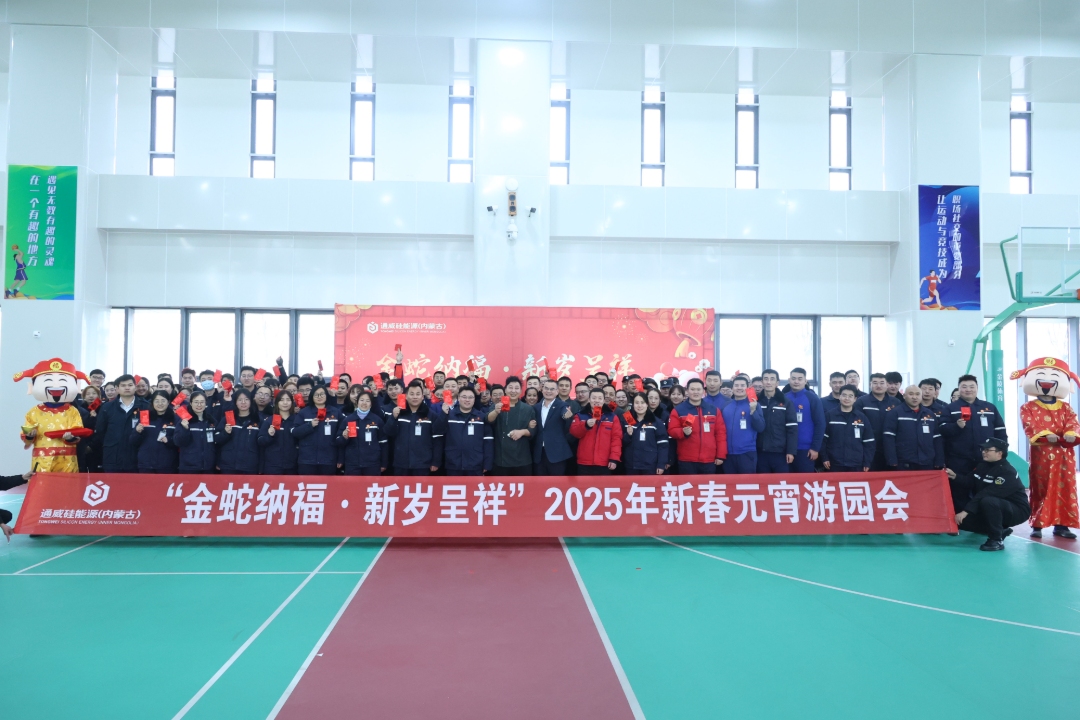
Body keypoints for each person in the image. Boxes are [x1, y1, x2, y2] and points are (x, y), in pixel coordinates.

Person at [1014, 357, 1080, 539]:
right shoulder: (1028, 407)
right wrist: (1044, 434)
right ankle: (1037, 524)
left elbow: (1073, 423)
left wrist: (1071, 433)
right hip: (1041, 454)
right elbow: (1030, 425)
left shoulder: (1066, 407)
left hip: (1064, 455)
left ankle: (1062, 525)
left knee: (1066, 488)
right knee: (1041, 487)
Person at [939, 374, 1008, 511]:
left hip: (985, 459)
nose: (968, 389)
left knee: (985, 490)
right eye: (964, 387)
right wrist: (956, 426)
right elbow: (941, 429)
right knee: (959, 491)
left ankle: (983, 519)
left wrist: (1002, 453)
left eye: (972, 386)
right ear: (959, 389)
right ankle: (962, 520)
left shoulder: (989, 407)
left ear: (977, 388)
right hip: (958, 459)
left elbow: (1000, 431)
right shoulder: (950, 408)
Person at [949, 438, 1030, 551]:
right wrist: (954, 476)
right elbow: (969, 481)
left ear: (999, 453)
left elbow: (987, 493)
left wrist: (966, 511)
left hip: (1017, 510)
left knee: (989, 501)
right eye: (983, 449)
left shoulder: (1007, 471)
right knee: (961, 522)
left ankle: (996, 540)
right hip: (993, 506)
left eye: (987, 450)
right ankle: (999, 530)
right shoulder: (983, 466)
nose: (983, 452)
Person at [385, 379, 444, 475]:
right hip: (401, 463)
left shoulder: (431, 415)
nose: (415, 397)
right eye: (412, 394)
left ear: (422, 396)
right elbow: (389, 432)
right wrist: (393, 418)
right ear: (406, 396)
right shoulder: (399, 413)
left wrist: (436, 461)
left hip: (423, 464)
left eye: (418, 394)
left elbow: (437, 440)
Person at [668, 378, 726, 474]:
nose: (696, 392)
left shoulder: (714, 410)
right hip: (686, 460)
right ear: (687, 391)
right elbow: (672, 430)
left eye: (698, 389)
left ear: (703, 391)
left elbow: (720, 434)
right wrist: (682, 432)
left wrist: (721, 455)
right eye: (692, 389)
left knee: (707, 484)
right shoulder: (678, 410)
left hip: (709, 459)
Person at [95, 374, 150, 473]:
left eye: (130, 385)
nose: (127, 388)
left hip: (137, 456)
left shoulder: (144, 407)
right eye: (123, 385)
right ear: (117, 389)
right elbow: (100, 430)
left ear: (135, 387)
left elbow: (147, 430)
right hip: (112, 456)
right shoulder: (107, 407)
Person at [882, 385, 944, 470]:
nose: (914, 397)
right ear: (904, 396)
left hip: (927, 461)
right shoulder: (895, 413)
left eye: (917, 394)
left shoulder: (929, 414)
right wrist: (891, 459)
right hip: (903, 462)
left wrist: (939, 460)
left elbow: (936, 438)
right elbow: (889, 438)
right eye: (911, 394)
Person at [485, 377, 535, 475]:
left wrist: (522, 432)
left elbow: (533, 430)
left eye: (516, 388)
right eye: (510, 387)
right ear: (505, 390)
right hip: (501, 460)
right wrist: (496, 411)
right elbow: (489, 420)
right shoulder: (497, 406)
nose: (513, 391)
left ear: (521, 391)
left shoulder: (528, 409)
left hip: (522, 459)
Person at [820, 385, 875, 472]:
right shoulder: (830, 416)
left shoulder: (861, 418)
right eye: (844, 395)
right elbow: (823, 439)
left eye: (850, 396)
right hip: (833, 463)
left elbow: (869, 441)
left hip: (857, 463)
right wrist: (824, 458)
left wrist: (867, 462)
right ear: (839, 397)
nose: (847, 398)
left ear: (855, 399)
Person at [292, 385, 343, 475]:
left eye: (322, 394)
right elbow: (295, 432)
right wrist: (309, 425)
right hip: (307, 460)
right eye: (316, 395)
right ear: (312, 396)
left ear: (326, 395)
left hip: (329, 459)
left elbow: (340, 436)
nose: (319, 397)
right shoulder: (304, 412)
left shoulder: (336, 412)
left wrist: (340, 458)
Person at [570, 388, 622, 474]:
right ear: (589, 399)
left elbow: (616, 439)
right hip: (584, 462)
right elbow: (574, 432)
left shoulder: (613, 417)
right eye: (594, 398)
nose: (597, 401)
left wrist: (614, 458)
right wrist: (585, 425)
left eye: (600, 398)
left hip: (604, 462)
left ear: (604, 400)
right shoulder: (580, 415)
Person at [442, 386, 493, 476]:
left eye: (470, 397)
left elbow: (488, 441)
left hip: (475, 463)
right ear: (458, 398)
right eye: (464, 397)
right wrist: (443, 414)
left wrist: (487, 463)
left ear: (474, 400)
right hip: (453, 463)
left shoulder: (481, 417)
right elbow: (438, 433)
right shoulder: (449, 415)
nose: (467, 400)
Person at [854, 373, 900, 470]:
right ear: (870, 385)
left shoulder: (895, 402)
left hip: (891, 448)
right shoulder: (861, 402)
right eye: (875, 383)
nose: (878, 386)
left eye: (882, 383)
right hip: (868, 447)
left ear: (887, 385)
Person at [755, 369, 797, 473]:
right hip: (760, 452)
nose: (768, 382)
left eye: (772, 379)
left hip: (780, 453)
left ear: (777, 383)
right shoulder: (755, 402)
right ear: (762, 382)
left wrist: (791, 451)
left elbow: (792, 429)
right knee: (762, 482)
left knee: (781, 482)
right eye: (766, 379)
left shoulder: (786, 402)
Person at [339, 390, 388, 475]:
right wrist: (344, 437)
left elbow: (383, 443)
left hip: (372, 463)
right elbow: (338, 441)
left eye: (367, 401)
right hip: (352, 463)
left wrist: (384, 463)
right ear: (357, 402)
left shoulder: (377, 420)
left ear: (371, 404)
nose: (364, 403)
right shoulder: (348, 419)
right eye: (362, 400)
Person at [785, 368, 825, 473]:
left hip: (806, 449)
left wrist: (815, 448)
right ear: (789, 380)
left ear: (805, 381)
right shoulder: (784, 398)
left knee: (805, 481)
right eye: (793, 378)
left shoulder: (813, 398)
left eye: (800, 379)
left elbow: (820, 424)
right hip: (786, 448)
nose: (796, 381)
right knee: (786, 481)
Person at [721, 377, 764, 474]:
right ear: (732, 388)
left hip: (747, 453)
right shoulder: (725, 406)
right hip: (728, 454)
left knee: (747, 483)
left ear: (748, 388)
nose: (739, 388)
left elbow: (760, 427)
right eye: (736, 385)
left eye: (742, 385)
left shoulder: (754, 405)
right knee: (729, 482)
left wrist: (753, 412)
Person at [532, 379, 574, 475]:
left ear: (557, 391)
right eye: (546, 388)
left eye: (552, 389)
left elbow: (565, 412)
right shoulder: (536, 407)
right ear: (542, 390)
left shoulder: (562, 405)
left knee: (556, 482)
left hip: (557, 453)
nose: (549, 391)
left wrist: (566, 415)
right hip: (539, 453)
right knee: (540, 482)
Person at [131, 390, 179, 473]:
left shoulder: (175, 418)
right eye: (156, 401)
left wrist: (169, 440)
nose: (160, 404)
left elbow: (181, 440)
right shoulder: (145, 417)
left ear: (168, 402)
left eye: (163, 401)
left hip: (167, 464)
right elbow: (133, 441)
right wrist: (137, 432)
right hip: (146, 464)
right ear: (152, 403)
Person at [215, 388, 261, 475]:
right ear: (235, 402)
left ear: (251, 401)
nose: (243, 402)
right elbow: (217, 439)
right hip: (228, 465)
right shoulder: (227, 419)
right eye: (240, 400)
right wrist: (225, 433)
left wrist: (261, 466)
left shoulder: (258, 420)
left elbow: (262, 445)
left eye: (246, 399)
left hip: (250, 465)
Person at [621, 392, 668, 474]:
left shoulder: (656, 422)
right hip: (631, 465)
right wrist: (628, 435)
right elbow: (620, 442)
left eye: (642, 402)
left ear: (647, 404)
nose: (639, 406)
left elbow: (663, 445)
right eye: (637, 403)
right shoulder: (627, 419)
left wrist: (661, 464)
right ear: (633, 405)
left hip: (650, 465)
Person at [173, 391, 218, 474]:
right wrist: (185, 429)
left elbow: (217, 443)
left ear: (206, 403)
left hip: (208, 467)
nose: (199, 405)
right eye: (196, 402)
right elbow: (178, 442)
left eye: (202, 402)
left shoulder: (211, 421)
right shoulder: (184, 420)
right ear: (190, 403)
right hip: (188, 467)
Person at [258, 390, 301, 475]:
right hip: (272, 465)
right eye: (282, 400)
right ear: (277, 402)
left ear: (292, 402)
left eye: (288, 400)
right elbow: (260, 440)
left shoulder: (297, 420)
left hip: (292, 465)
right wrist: (269, 435)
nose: (285, 403)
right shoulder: (269, 420)